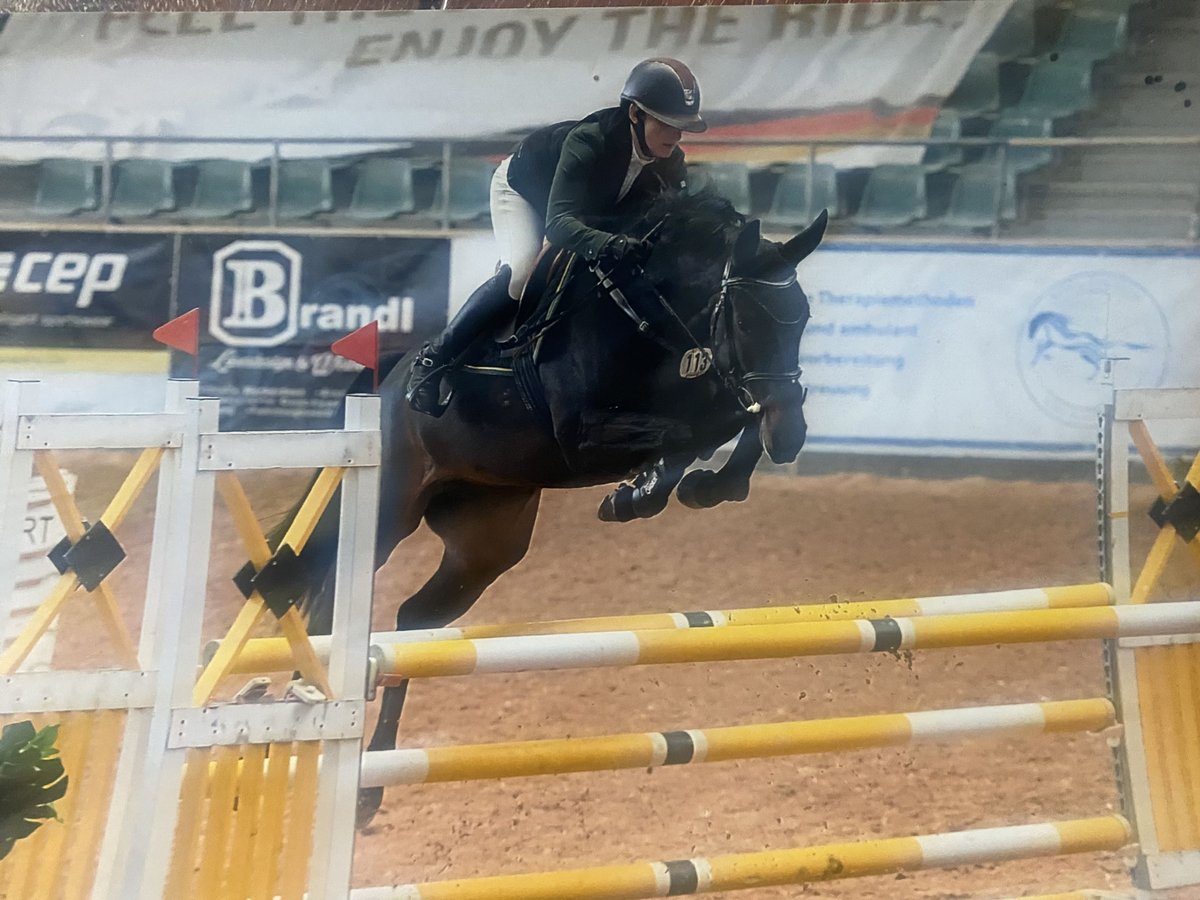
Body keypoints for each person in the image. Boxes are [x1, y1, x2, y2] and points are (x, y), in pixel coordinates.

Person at [406, 57, 707, 416]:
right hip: (525, 193)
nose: (676, 135)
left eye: (682, 127)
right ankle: (433, 359)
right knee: (520, 273)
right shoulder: (589, 140)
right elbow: (560, 225)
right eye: (667, 123)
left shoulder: (672, 163)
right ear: (635, 114)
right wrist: (611, 243)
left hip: (591, 210)